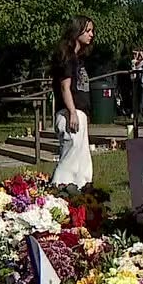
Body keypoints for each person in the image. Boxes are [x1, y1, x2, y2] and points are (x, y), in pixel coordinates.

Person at [51, 16, 95, 188]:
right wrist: (72, 112)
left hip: (79, 113)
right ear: (77, 31)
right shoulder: (67, 57)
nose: (92, 34)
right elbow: (64, 87)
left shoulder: (78, 58)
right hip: (69, 113)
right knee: (69, 160)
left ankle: (83, 191)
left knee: (82, 161)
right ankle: (58, 189)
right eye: (88, 30)